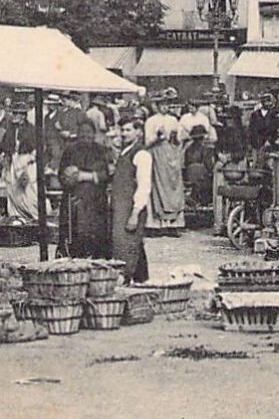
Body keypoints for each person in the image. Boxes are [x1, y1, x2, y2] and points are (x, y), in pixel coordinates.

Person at [59, 118, 113, 258]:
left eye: (89, 132)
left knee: (96, 234)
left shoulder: (102, 151)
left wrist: (86, 176)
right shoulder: (70, 151)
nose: (85, 135)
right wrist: (68, 177)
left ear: (94, 134)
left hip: (96, 200)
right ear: (77, 134)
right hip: (74, 200)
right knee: (75, 234)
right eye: (82, 132)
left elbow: (107, 174)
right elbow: (61, 174)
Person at [110, 116, 154, 283]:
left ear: (138, 132)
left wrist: (135, 213)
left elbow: (144, 186)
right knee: (131, 245)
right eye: (122, 130)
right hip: (120, 207)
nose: (124, 133)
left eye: (128, 130)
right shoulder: (125, 152)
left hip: (131, 208)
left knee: (127, 247)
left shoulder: (141, 154)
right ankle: (142, 280)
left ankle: (127, 280)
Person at [145, 95, 186, 232]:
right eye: (162, 104)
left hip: (171, 156)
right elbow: (147, 142)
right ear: (156, 106)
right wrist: (157, 137)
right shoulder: (151, 121)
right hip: (157, 155)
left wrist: (175, 138)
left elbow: (179, 139)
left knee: (173, 186)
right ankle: (156, 225)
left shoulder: (173, 120)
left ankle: (173, 224)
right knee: (157, 187)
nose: (165, 107)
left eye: (167, 104)